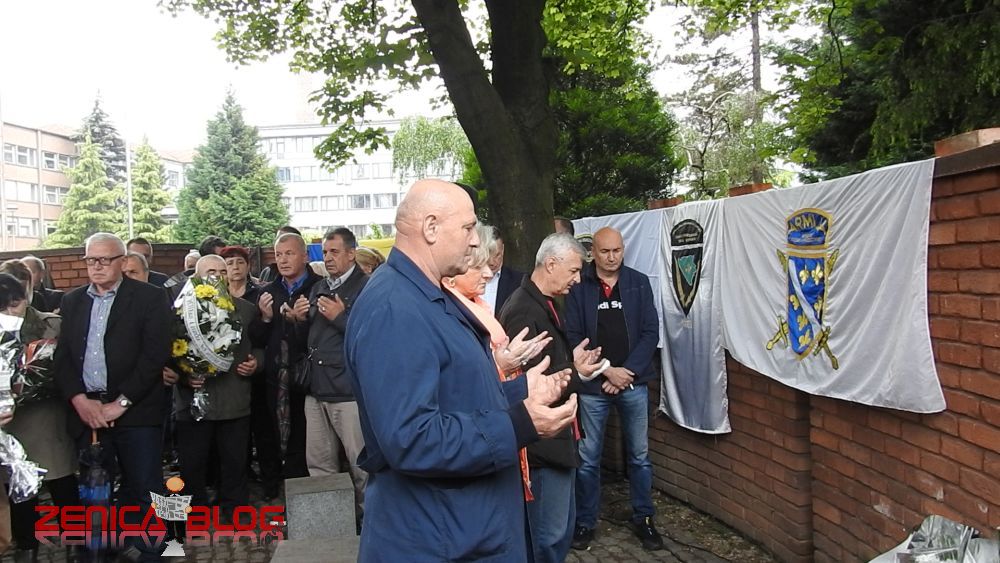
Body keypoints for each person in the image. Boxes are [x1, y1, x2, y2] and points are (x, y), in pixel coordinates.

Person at [345, 179, 579, 562]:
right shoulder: (394, 308)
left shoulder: (423, 294)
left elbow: (453, 393)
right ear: (431, 227)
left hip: (461, 529)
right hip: (439, 539)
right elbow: (412, 439)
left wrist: (519, 391)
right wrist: (521, 424)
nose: (475, 241)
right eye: (469, 228)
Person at [53, 232, 172, 560]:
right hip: (88, 412)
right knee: (95, 494)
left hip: (136, 411)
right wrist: (79, 400)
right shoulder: (72, 301)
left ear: (122, 261)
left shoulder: (149, 297)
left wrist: (120, 404)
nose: (97, 266)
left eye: (105, 259)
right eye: (91, 260)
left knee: (146, 490)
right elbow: (62, 359)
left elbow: (154, 356)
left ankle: (149, 554)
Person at [499, 232, 605, 563]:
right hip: (543, 447)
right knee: (547, 537)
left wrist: (573, 364)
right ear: (550, 264)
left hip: (556, 443)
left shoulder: (541, 302)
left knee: (558, 533)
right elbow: (531, 385)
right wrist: (577, 372)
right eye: (573, 271)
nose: (578, 279)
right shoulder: (523, 309)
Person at [565, 227, 664, 551]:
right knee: (588, 458)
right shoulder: (579, 287)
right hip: (594, 384)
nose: (612, 257)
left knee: (640, 456)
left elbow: (650, 331)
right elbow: (573, 335)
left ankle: (644, 518)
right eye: (605, 251)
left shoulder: (638, 282)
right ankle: (585, 522)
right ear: (593, 252)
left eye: (617, 251)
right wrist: (608, 370)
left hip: (633, 383)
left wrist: (628, 372)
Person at [165, 255, 260, 525]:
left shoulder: (246, 310)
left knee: (234, 462)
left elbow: (261, 347)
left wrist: (257, 363)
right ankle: (196, 514)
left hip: (233, 400)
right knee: (193, 464)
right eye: (210, 272)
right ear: (196, 277)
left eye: (222, 271)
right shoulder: (178, 311)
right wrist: (185, 378)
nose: (217, 276)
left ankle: (235, 511)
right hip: (192, 403)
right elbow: (167, 354)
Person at [0, 266, 80, 562]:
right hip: (10, 427)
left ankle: (75, 540)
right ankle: (27, 544)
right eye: (3, 307)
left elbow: (70, 368)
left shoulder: (51, 325)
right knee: (19, 486)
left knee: (62, 482)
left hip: (46, 418)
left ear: (26, 297)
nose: (10, 312)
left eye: (15, 304)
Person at [301, 227, 370, 528]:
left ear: (351, 254)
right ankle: (330, 525)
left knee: (361, 465)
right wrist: (297, 318)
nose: (328, 258)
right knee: (319, 464)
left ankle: (371, 524)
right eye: (325, 252)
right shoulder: (319, 287)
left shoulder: (366, 287)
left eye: (334, 252)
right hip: (316, 389)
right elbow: (311, 336)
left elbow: (372, 337)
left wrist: (341, 318)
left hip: (347, 391)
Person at [251, 232, 322, 489]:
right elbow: (256, 338)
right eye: (278, 255)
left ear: (305, 256)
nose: (282, 260)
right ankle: (272, 486)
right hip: (274, 377)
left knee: (304, 438)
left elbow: (321, 337)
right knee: (270, 433)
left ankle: (300, 488)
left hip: (308, 379)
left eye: (289, 254)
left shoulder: (319, 288)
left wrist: (300, 321)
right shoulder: (268, 292)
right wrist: (265, 318)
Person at [482, 228, 524, 316]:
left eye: (497, 255)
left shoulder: (519, 282)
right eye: (488, 255)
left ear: (503, 250)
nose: (492, 262)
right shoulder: (466, 279)